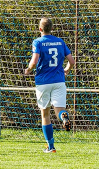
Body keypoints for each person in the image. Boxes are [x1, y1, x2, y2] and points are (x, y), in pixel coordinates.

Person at [24, 18, 76, 153]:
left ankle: (51, 146)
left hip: (43, 82)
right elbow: (71, 61)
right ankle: (64, 117)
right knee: (59, 111)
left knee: (45, 115)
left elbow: (34, 62)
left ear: (40, 29)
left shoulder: (38, 42)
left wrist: (28, 70)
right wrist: (67, 69)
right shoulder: (60, 41)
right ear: (52, 28)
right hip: (59, 81)